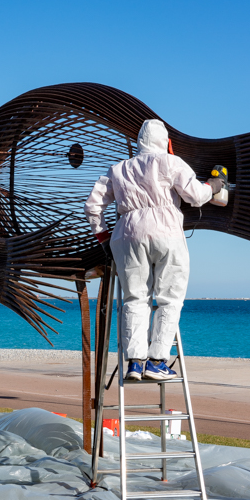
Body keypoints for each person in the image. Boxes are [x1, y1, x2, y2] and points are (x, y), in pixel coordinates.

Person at [84, 119, 227, 381]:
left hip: (127, 235)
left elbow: (92, 206)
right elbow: (195, 196)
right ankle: (157, 361)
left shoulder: (118, 169)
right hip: (166, 231)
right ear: (165, 141)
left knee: (134, 298)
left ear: (140, 141)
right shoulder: (171, 162)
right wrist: (213, 186)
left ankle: (134, 363)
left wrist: (104, 237)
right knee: (169, 298)